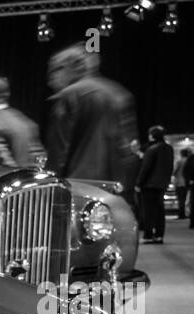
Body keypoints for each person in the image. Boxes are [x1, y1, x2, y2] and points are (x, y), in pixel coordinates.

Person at [46, 44, 139, 201]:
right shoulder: (118, 94)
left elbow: (58, 154)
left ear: (75, 67)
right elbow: (129, 151)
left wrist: (49, 189)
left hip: (77, 190)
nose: (51, 79)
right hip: (115, 191)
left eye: (57, 69)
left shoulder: (69, 96)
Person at [137, 126, 173, 243]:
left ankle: (148, 235)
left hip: (149, 185)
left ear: (152, 136)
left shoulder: (152, 149)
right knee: (159, 211)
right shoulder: (169, 148)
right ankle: (159, 235)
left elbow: (146, 168)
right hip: (162, 184)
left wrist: (138, 183)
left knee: (148, 212)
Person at [172, 148, 189, 219]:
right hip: (187, 182)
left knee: (180, 199)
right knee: (185, 199)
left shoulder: (179, 161)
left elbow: (174, 171)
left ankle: (181, 215)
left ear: (181, 154)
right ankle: (185, 214)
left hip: (179, 182)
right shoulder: (189, 161)